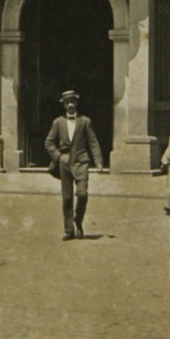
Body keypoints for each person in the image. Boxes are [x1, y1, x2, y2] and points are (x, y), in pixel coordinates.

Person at [44, 89, 103, 241]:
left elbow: (93, 143)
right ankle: (69, 230)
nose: (70, 105)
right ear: (63, 105)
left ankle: (78, 219)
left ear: (77, 103)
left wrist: (98, 162)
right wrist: (59, 157)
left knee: (82, 194)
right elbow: (49, 142)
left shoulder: (85, 121)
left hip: (81, 162)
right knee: (67, 198)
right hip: (65, 163)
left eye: (72, 102)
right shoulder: (58, 122)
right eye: (67, 102)